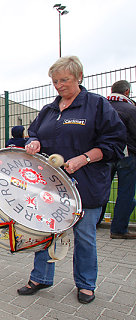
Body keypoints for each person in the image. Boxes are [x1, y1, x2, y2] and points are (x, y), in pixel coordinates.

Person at [18, 56, 125, 304]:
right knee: (46, 230)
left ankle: (86, 283)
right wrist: (32, 141)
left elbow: (115, 143)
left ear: (79, 77)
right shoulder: (49, 109)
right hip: (49, 186)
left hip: (85, 183)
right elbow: (32, 133)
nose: (59, 85)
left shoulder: (97, 105)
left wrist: (83, 159)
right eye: (55, 81)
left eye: (64, 80)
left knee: (85, 235)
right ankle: (41, 277)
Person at [106, 80, 136, 239]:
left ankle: (94, 221)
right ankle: (118, 229)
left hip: (103, 155)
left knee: (102, 189)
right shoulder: (131, 109)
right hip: (126, 155)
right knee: (125, 192)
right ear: (126, 92)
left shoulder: (101, 107)